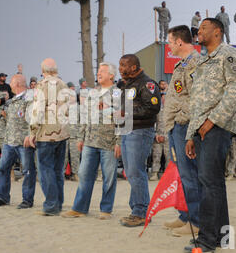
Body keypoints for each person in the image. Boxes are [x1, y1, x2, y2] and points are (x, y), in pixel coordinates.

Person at [184, 18, 236, 253]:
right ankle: (223, 238)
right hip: (202, 128)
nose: (198, 32)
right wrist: (191, 135)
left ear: (217, 32)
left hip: (217, 126)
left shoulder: (229, 54)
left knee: (208, 183)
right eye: (198, 29)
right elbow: (197, 103)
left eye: (203, 28)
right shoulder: (202, 62)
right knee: (214, 183)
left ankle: (207, 239)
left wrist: (213, 121)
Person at [61, 62, 121, 219]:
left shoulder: (118, 93)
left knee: (108, 177)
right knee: (84, 174)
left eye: (102, 71)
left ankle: (106, 209)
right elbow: (85, 116)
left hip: (108, 142)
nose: (99, 73)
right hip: (90, 141)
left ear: (111, 75)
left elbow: (124, 118)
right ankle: (79, 208)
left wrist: (119, 142)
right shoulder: (93, 93)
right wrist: (81, 137)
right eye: (98, 71)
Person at [163, 25, 201, 237]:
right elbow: (180, 93)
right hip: (174, 126)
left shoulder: (193, 63)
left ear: (179, 41)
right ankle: (186, 215)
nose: (169, 45)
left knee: (190, 175)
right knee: (182, 174)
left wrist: (181, 118)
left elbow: (195, 97)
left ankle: (196, 221)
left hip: (184, 126)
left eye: (170, 41)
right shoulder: (182, 65)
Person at [118, 54, 161, 227]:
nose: (120, 68)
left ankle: (141, 212)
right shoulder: (126, 84)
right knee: (131, 172)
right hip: (127, 130)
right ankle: (136, 209)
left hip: (141, 131)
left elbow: (152, 108)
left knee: (137, 172)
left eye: (123, 65)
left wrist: (126, 113)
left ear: (133, 67)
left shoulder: (147, 84)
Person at [25, 58, 70, 216]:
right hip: (62, 133)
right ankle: (58, 203)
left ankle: (51, 205)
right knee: (58, 170)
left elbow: (37, 110)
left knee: (46, 170)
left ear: (43, 71)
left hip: (46, 134)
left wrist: (32, 132)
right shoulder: (64, 85)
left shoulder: (42, 85)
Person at [0, 74, 37, 209]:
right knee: (3, 169)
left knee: (28, 171)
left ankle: (27, 200)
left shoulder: (29, 100)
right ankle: (2, 197)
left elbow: (33, 120)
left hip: (24, 142)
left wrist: (31, 136)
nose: (9, 84)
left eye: (11, 82)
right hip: (9, 141)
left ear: (17, 84)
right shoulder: (11, 101)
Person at [151, 93, 170, 180]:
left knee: (169, 156)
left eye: (166, 98)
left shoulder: (172, 110)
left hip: (169, 136)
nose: (164, 100)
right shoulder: (157, 110)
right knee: (156, 156)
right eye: (163, 98)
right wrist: (156, 135)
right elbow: (153, 123)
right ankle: (154, 173)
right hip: (158, 137)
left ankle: (168, 174)